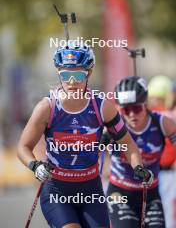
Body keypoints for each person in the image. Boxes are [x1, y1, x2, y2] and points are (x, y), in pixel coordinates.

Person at [17, 45, 152, 228]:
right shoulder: (47, 107)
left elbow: (127, 143)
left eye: (79, 75)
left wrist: (138, 167)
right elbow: (23, 147)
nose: (72, 82)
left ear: (89, 73)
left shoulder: (102, 107)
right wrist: (35, 166)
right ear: (58, 73)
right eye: (65, 75)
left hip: (91, 189)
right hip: (57, 189)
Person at [104, 76, 176, 228]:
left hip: (150, 195)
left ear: (146, 104)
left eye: (136, 108)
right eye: (125, 109)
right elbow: (91, 154)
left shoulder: (162, 123)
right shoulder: (113, 126)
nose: (131, 114)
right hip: (120, 194)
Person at [148, 75, 176, 227]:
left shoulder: (145, 116)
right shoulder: (169, 118)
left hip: (153, 171)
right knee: (166, 211)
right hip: (166, 172)